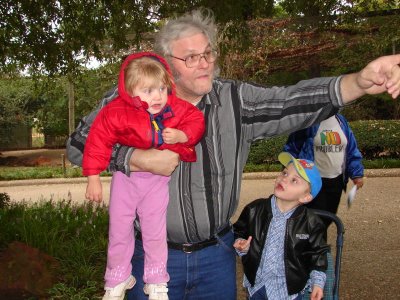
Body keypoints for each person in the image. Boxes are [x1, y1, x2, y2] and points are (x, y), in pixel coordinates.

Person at [66, 8, 400, 300]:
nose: (205, 64)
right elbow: (78, 146)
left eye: (208, 54)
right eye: (192, 57)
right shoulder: (129, 99)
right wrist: (133, 158)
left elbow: (291, 100)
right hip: (150, 258)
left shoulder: (235, 101)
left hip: (216, 257)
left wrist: (358, 82)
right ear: (168, 66)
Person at [82, 52, 205, 300]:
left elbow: (196, 119)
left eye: (161, 88)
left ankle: (157, 279)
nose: (157, 96)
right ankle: (117, 277)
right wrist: (93, 177)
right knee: (119, 227)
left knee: (154, 230)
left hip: (156, 182)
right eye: (148, 91)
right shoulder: (116, 111)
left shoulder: (174, 107)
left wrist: (182, 136)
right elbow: (97, 141)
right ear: (129, 91)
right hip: (126, 178)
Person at [233, 152, 329, 300]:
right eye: (284, 173)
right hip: (257, 285)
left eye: (294, 180)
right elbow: (238, 231)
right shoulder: (254, 210)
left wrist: (317, 283)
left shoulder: (311, 223)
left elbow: (318, 254)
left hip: (288, 290)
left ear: (305, 197)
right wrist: (240, 243)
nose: (284, 179)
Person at [283, 113, 364, 231]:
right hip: (313, 181)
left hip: (336, 181)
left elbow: (351, 149)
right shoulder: (308, 121)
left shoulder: (341, 121)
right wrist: (291, 174)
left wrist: (357, 174)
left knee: (328, 218)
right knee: (316, 220)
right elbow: (291, 149)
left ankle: (314, 245)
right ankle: (319, 248)